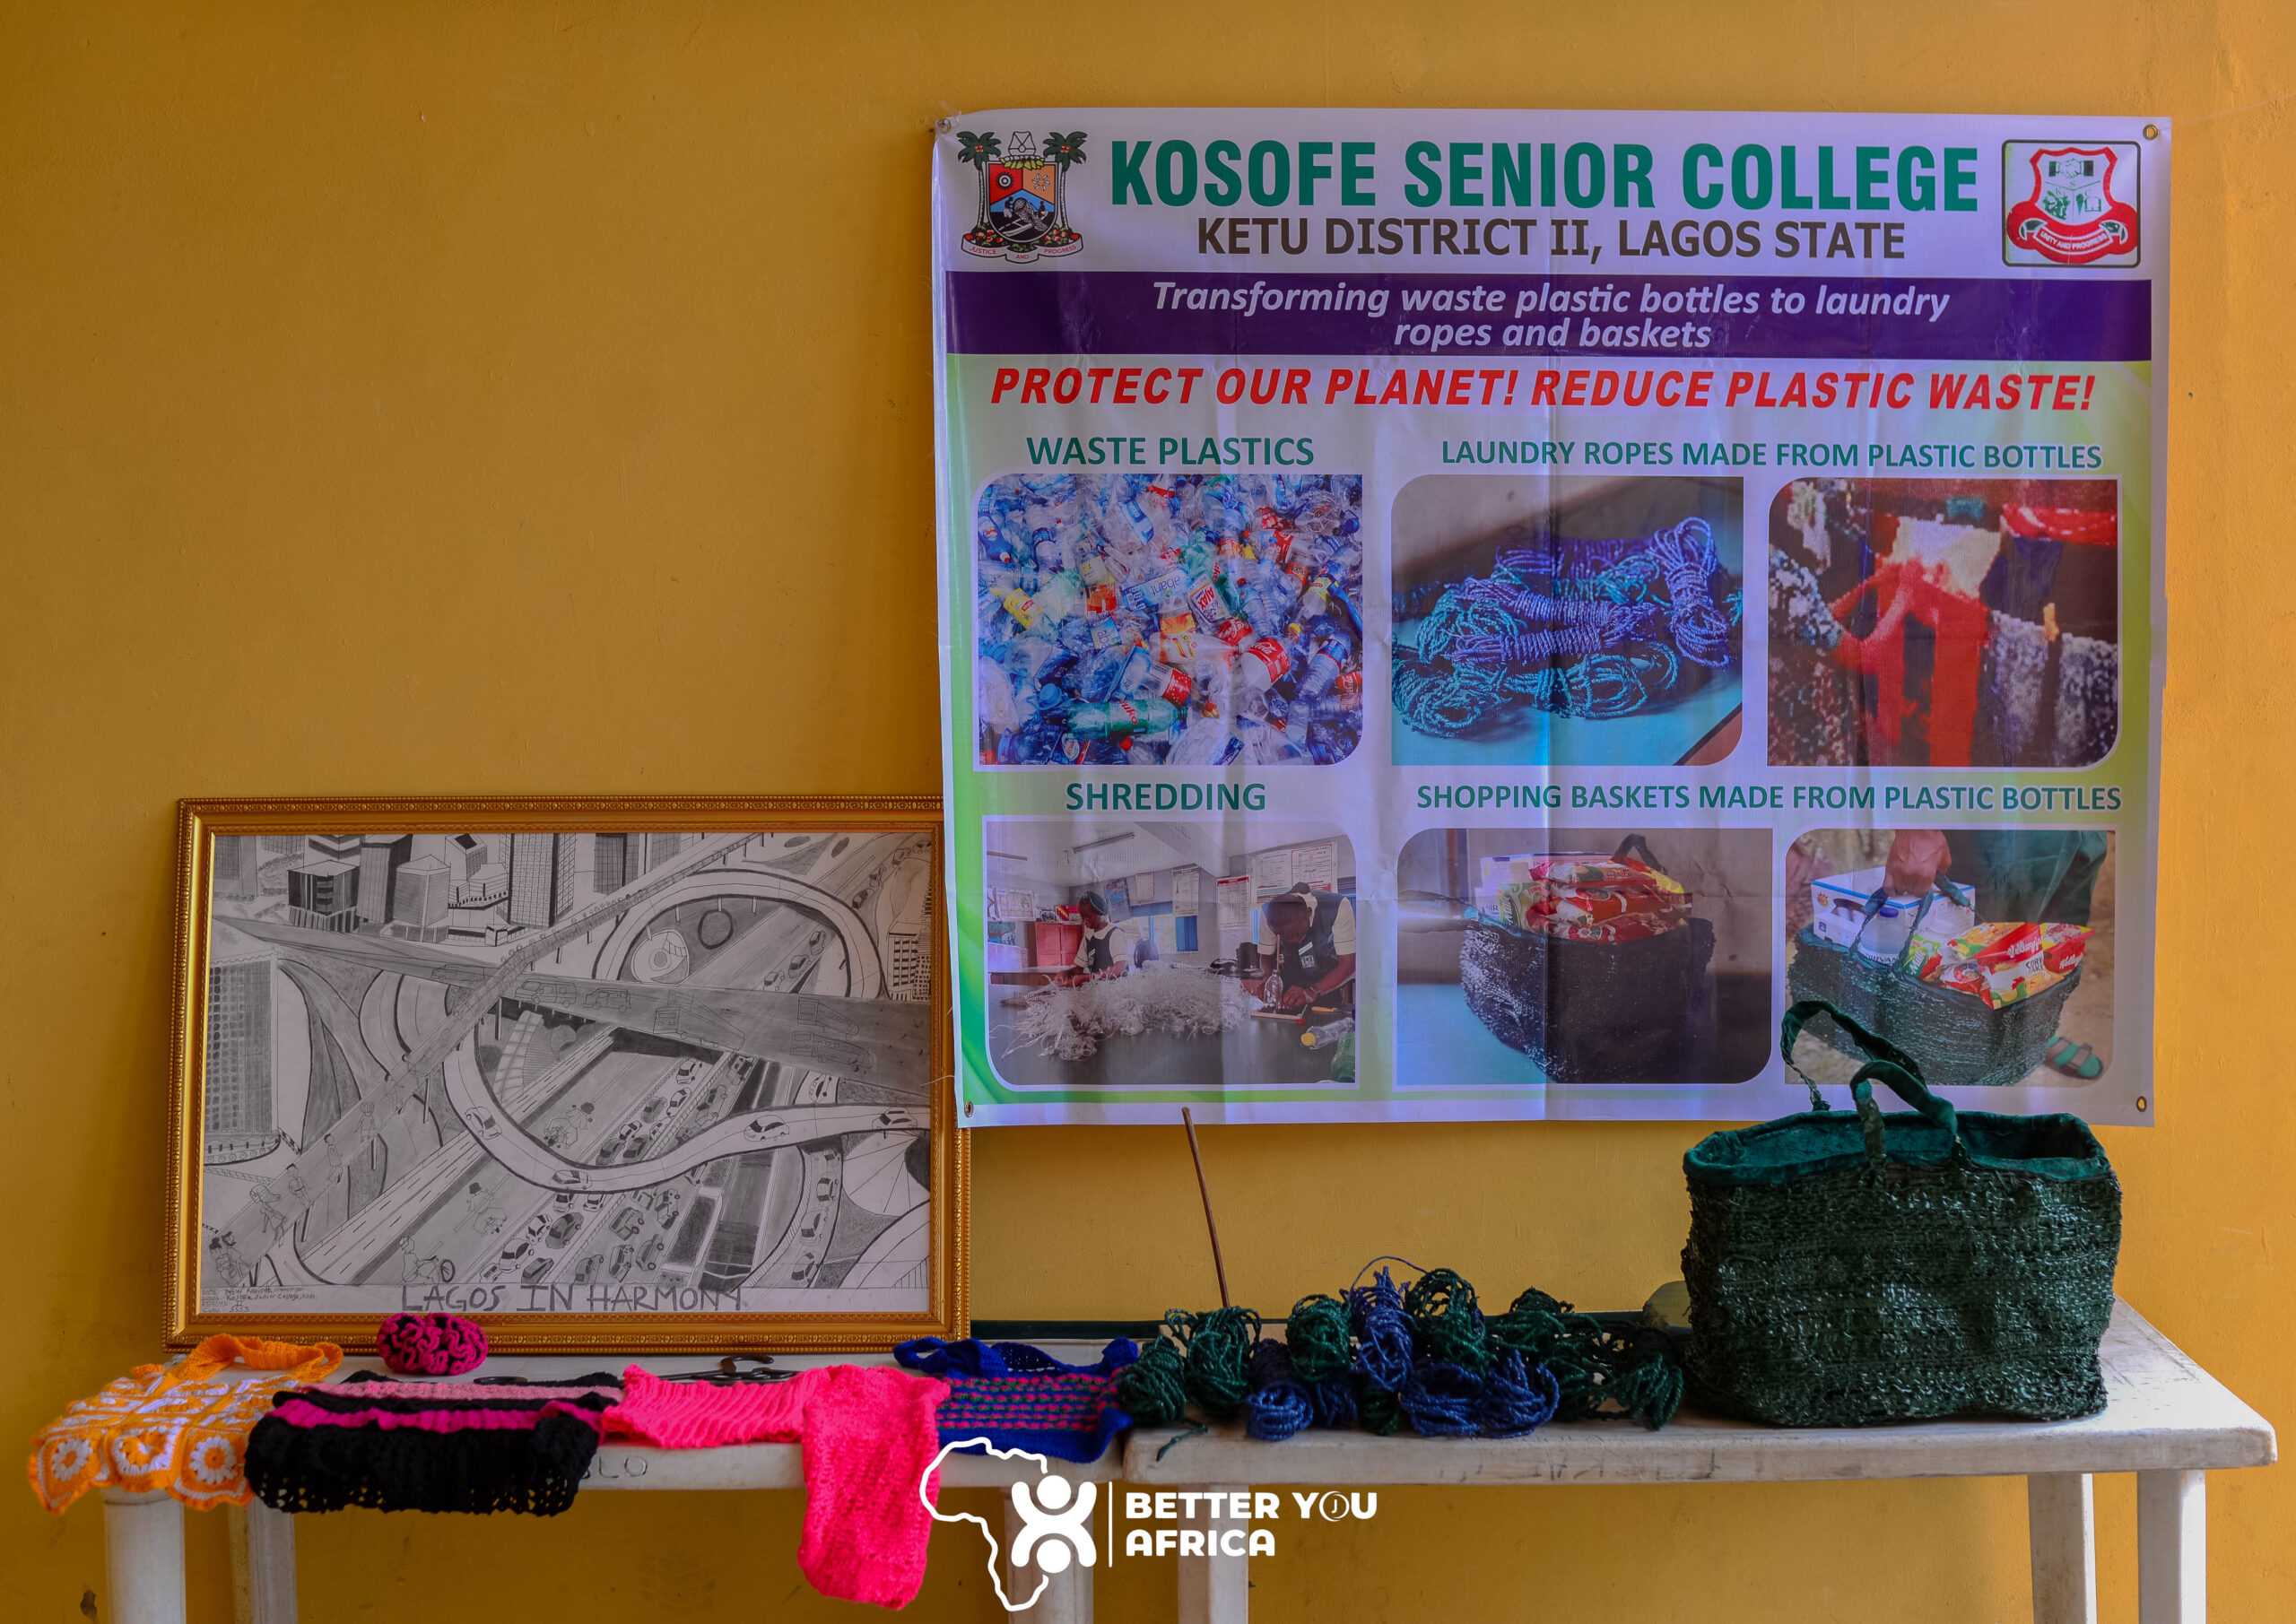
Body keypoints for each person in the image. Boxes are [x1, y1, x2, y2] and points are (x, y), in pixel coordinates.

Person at [1252, 885, 1358, 1013]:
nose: (1295, 941)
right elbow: (1266, 956)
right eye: (1287, 937)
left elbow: (1349, 963)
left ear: (1309, 912)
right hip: (1289, 991)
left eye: (1298, 934)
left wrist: (1313, 991)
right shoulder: (1268, 913)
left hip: (1326, 987)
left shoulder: (1338, 906)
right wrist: (1268, 979)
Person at [1052, 890, 1140, 986]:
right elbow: (1079, 968)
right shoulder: (1088, 937)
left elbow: (1119, 968)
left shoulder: (1115, 934)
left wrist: (1086, 978)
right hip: (1098, 990)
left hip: (1117, 989)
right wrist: (1067, 972)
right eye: (1083, 917)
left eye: (1089, 917)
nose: (1085, 921)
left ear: (1100, 913)